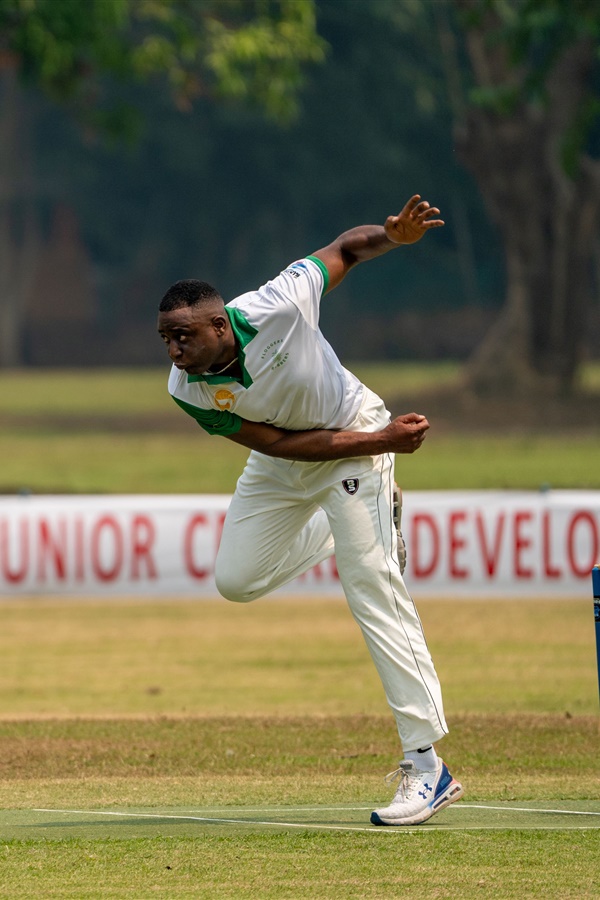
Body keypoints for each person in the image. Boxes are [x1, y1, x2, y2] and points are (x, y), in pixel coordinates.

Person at [157, 194, 463, 826]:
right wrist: (386, 445)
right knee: (236, 580)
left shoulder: (278, 303)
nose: (174, 350)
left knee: (371, 583)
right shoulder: (186, 387)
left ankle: (427, 766)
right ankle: (360, 524)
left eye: (183, 336)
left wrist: (393, 235)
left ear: (220, 325)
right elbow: (278, 444)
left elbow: (343, 249)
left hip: (350, 428)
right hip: (290, 457)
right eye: (164, 338)